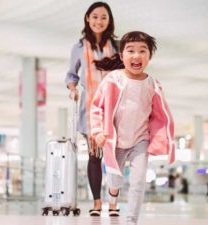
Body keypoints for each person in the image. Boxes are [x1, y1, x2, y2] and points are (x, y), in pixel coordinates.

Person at [90, 31, 175, 225]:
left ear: (149, 57)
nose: (136, 56)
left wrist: (162, 139)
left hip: (140, 140)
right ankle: (113, 195)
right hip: (116, 140)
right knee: (115, 180)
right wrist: (97, 131)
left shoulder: (153, 84)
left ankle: (131, 220)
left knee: (138, 181)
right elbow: (97, 106)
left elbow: (160, 116)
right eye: (131, 51)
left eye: (142, 51)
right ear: (122, 56)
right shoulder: (113, 80)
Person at [65, 2, 118, 217]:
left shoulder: (117, 45)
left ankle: (113, 202)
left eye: (103, 17)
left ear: (109, 21)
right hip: (91, 108)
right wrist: (72, 88)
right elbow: (71, 74)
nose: (99, 21)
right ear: (88, 18)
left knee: (115, 157)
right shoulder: (78, 47)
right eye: (95, 16)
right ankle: (97, 203)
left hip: (115, 108)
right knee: (95, 156)